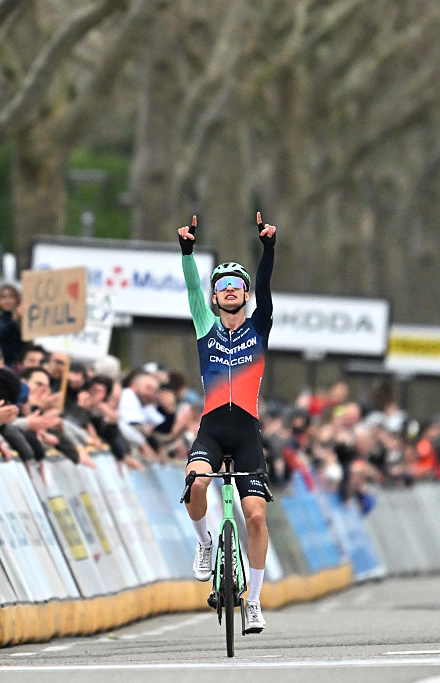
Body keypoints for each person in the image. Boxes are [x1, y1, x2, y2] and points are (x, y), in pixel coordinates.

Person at [177, 211, 277, 634]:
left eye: (237, 286)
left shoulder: (259, 324)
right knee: (197, 483)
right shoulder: (205, 326)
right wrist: (188, 252)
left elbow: (267, 287)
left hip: (248, 432)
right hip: (213, 430)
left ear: (246, 295)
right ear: (216, 298)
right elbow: (191, 289)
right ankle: (204, 544)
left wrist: (268, 248)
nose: (230, 291)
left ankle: (253, 601)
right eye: (222, 287)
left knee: (255, 517)